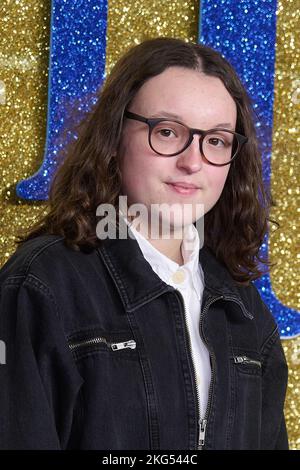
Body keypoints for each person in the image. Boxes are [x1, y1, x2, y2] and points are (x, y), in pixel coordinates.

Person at [0, 37, 289, 450]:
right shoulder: (41, 287)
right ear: (115, 138)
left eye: (217, 140)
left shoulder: (243, 308)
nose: (192, 162)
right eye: (168, 132)